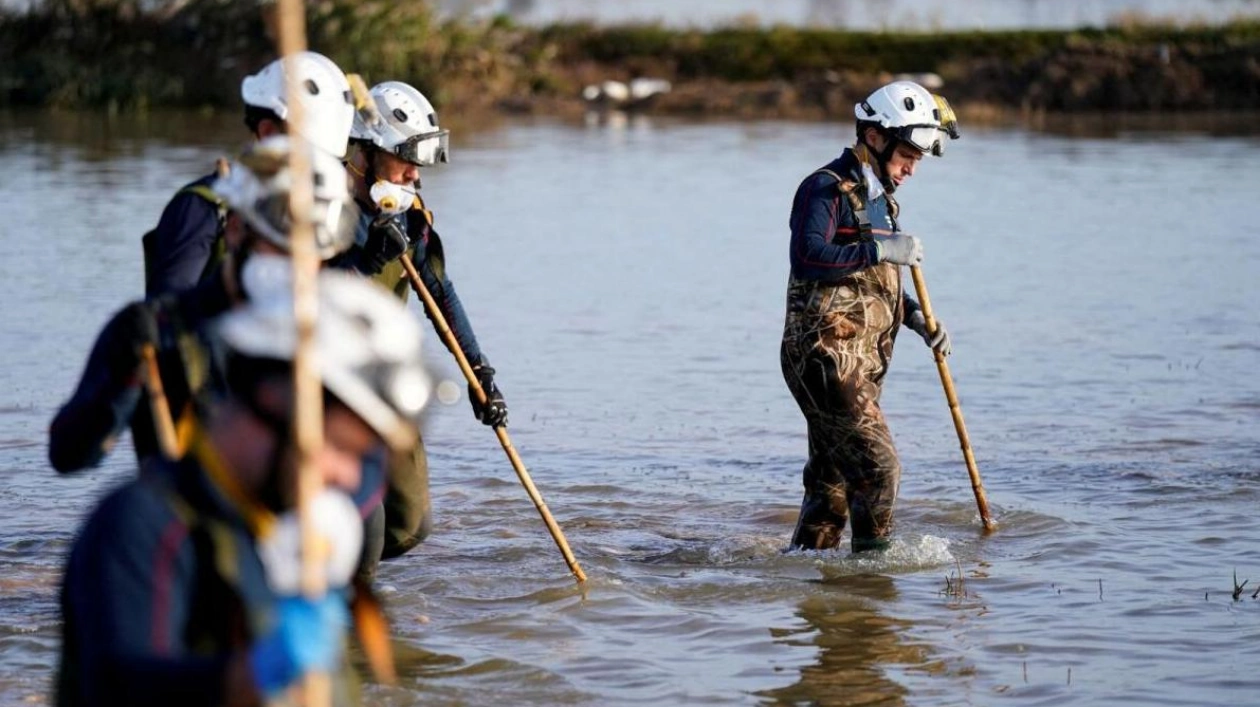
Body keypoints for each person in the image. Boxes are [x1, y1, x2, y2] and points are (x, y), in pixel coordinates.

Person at [57, 268, 432, 707]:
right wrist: (248, 679)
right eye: (343, 447)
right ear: (275, 403)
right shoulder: (145, 523)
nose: (351, 477)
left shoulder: (293, 536)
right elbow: (118, 684)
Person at [50, 135, 359, 474]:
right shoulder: (157, 329)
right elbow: (69, 457)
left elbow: (367, 480)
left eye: (313, 256)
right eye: (282, 249)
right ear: (237, 231)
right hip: (180, 520)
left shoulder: (335, 337)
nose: (299, 268)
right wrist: (120, 379)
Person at [331, 80, 509, 559]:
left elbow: (440, 294)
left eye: (419, 162)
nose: (413, 174)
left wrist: (480, 373)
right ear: (366, 152)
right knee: (362, 537)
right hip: (327, 385)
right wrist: (365, 261)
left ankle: (343, 576)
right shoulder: (322, 207)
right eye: (404, 158)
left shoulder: (409, 218)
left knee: (409, 526)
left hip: (387, 383)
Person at [781, 80, 960, 552]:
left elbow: (870, 283)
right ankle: (870, 592)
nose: (911, 169)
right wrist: (879, 247)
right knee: (879, 470)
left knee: (832, 486)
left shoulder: (881, 200)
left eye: (918, 160)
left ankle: (815, 590)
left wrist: (918, 319)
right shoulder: (824, 188)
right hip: (825, 361)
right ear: (875, 137)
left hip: (858, 364)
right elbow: (809, 255)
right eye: (908, 155)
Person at [142, 51, 355, 297]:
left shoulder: (322, 213)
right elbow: (167, 316)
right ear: (267, 133)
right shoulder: (204, 209)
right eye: (312, 154)